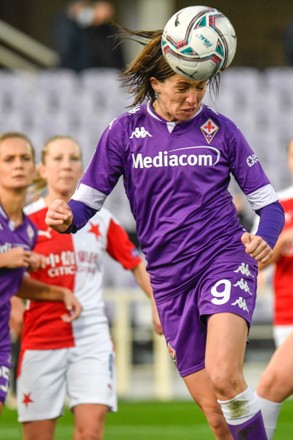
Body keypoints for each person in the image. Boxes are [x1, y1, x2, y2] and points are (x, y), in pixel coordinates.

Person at [45, 27, 285, 440]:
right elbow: (85, 206)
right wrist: (65, 217)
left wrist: (262, 237)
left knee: (226, 376)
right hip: (169, 283)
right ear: (156, 83)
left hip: (223, 260)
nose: (193, 98)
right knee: (217, 417)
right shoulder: (122, 133)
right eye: (182, 88)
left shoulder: (222, 131)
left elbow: (269, 207)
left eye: (200, 87)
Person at [16, 135, 161, 440]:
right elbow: (10, 279)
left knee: (90, 433)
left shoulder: (101, 220)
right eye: (57, 159)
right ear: (42, 170)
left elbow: (136, 265)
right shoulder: (25, 223)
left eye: (73, 158)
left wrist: (158, 305)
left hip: (91, 338)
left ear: (82, 168)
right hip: (41, 337)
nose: (66, 166)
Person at [0, 132, 81, 416]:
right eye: (9, 159)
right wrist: (5, 259)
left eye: (24, 158)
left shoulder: (28, 229)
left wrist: (61, 294)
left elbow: (17, 284)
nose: (18, 165)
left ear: (35, 168)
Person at [255, 138, 293, 439]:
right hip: (285, 314)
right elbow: (256, 263)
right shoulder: (277, 207)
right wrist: (281, 243)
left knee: (268, 388)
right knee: (271, 388)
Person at [51, 0, 125, 72]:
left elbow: (118, 56)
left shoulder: (109, 29)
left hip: (106, 72)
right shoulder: (67, 24)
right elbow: (66, 50)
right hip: (77, 72)